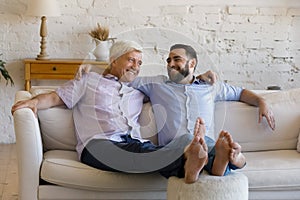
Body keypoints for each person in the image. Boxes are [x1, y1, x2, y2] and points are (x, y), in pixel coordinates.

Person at [11, 40, 218, 184]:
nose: (135, 67)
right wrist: (34, 102)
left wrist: (195, 76)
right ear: (113, 60)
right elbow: (56, 97)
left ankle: (207, 161)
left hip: (134, 143)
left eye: (139, 63)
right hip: (99, 144)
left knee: (162, 147)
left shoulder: (137, 90)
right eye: (130, 60)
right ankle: (189, 161)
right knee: (148, 153)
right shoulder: (89, 81)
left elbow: (176, 86)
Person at [127, 43, 275, 180]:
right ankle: (217, 163)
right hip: (174, 151)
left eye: (176, 59)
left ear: (192, 63)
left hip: (207, 147)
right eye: (168, 60)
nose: (170, 64)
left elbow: (240, 93)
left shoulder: (210, 87)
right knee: (186, 140)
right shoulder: (157, 84)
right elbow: (123, 78)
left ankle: (220, 163)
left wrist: (261, 101)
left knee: (211, 145)